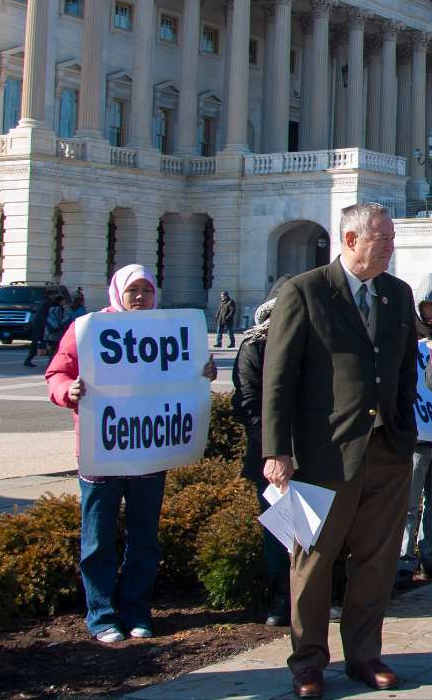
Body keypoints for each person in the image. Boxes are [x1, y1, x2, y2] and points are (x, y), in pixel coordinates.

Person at [262, 202, 419, 698]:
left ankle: (364, 655)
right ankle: (307, 660)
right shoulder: (304, 291)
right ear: (350, 240)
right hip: (320, 454)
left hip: (386, 452)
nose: (391, 247)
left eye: (392, 239)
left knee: (375, 561)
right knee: (311, 560)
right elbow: (278, 378)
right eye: (384, 239)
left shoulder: (397, 294)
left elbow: (404, 374)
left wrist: (404, 431)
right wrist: (277, 449)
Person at [47, 264, 217, 643]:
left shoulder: (166, 329)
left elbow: (181, 376)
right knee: (97, 541)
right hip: (101, 453)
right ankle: (102, 615)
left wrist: (200, 372)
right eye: (133, 290)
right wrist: (67, 390)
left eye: (147, 290)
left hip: (148, 451)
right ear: (117, 292)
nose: (140, 297)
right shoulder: (88, 329)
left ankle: (138, 610)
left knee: (144, 539)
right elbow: (56, 374)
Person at [232, 276, 294, 627]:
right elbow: (248, 405)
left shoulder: (314, 342)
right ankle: (281, 595)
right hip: (269, 456)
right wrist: (275, 451)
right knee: (277, 530)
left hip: (310, 453)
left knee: (315, 530)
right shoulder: (255, 347)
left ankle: (317, 593)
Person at [395, 274, 432, 590]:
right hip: (417, 433)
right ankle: (403, 559)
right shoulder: (407, 335)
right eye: (428, 306)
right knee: (408, 502)